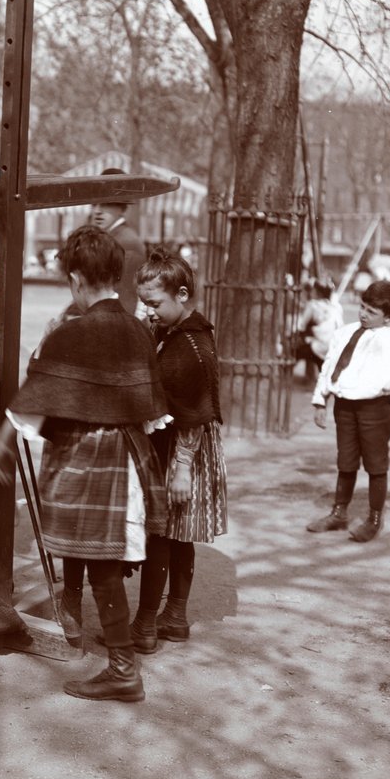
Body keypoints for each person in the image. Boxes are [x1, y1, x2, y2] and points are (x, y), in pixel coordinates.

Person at [0, 225, 168, 703]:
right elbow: (149, 409)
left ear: (75, 279)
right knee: (101, 557)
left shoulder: (73, 333)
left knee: (99, 561)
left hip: (87, 459)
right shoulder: (137, 329)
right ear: (115, 273)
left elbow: (37, 399)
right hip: (128, 457)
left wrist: (3, 439)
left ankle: (123, 670)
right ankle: (120, 663)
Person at [130, 247, 228, 647]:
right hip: (172, 444)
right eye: (144, 303)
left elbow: (196, 412)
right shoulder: (172, 332)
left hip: (183, 450)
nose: (149, 311)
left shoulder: (193, 346)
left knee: (162, 536)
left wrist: (183, 468)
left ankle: (145, 625)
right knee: (178, 536)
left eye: (154, 303)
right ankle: (174, 617)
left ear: (183, 295)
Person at [307, 280, 390, 543]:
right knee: (345, 461)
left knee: (375, 463)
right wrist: (319, 400)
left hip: (374, 408)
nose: (363, 314)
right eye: (362, 307)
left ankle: (374, 518)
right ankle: (339, 513)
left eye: (371, 312)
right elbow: (328, 366)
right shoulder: (345, 332)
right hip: (344, 405)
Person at [89, 167, 146, 317]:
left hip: (118, 317)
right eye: (94, 204)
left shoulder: (126, 242)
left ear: (122, 208)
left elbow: (123, 292)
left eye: (106, 204)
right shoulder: (110, 237)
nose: (97, 211)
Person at [290, 278, 345, 383]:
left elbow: (301, 326)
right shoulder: (337, 306)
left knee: (295, 351)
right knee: (319, 354)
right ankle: (321, 379)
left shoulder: (313, 305)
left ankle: (285, 375)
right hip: (336, 344)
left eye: (313, 290)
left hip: (321, 344)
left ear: (318, 292)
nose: (311, 292)